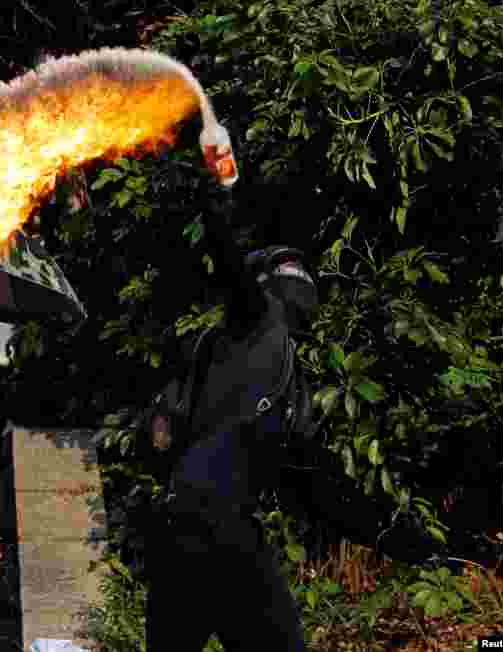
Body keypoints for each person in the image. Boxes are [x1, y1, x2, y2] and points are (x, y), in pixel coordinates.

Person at [141, 173, 443, 651]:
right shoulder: (255, 326)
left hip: (190, 534)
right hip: (216, 535)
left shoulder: (283, 382)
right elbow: (230, 268)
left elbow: (318, 488)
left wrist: (405, 542)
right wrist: (214, 200)